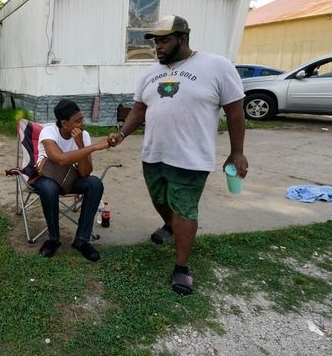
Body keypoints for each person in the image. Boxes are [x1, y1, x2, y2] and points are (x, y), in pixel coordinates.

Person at [106, 15, 248, 295]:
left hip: (191, 158)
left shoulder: (217, 66)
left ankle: (181, 267)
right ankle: (169, 225)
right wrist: (122, 134)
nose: (158, 47)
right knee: (160, 200)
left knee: (184, 208)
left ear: (183, 39)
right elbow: (139, 109)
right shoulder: (149, 74)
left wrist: (237, 152)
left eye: (164, 40)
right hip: (153, 154)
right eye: (156, 41)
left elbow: (235, 111)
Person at [34, 99, 111, 260]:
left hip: (71, 179)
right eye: (78, 120)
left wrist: (81, 143)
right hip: (48, 177)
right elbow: (60, 159)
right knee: (49, 188)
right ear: (64, 123)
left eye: (82, 118)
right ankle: (54, 239)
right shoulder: (49, 132)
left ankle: (81, 240)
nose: (83, 123)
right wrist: (95, 147)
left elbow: (85, 173)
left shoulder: (84, 136)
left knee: (94, 184)